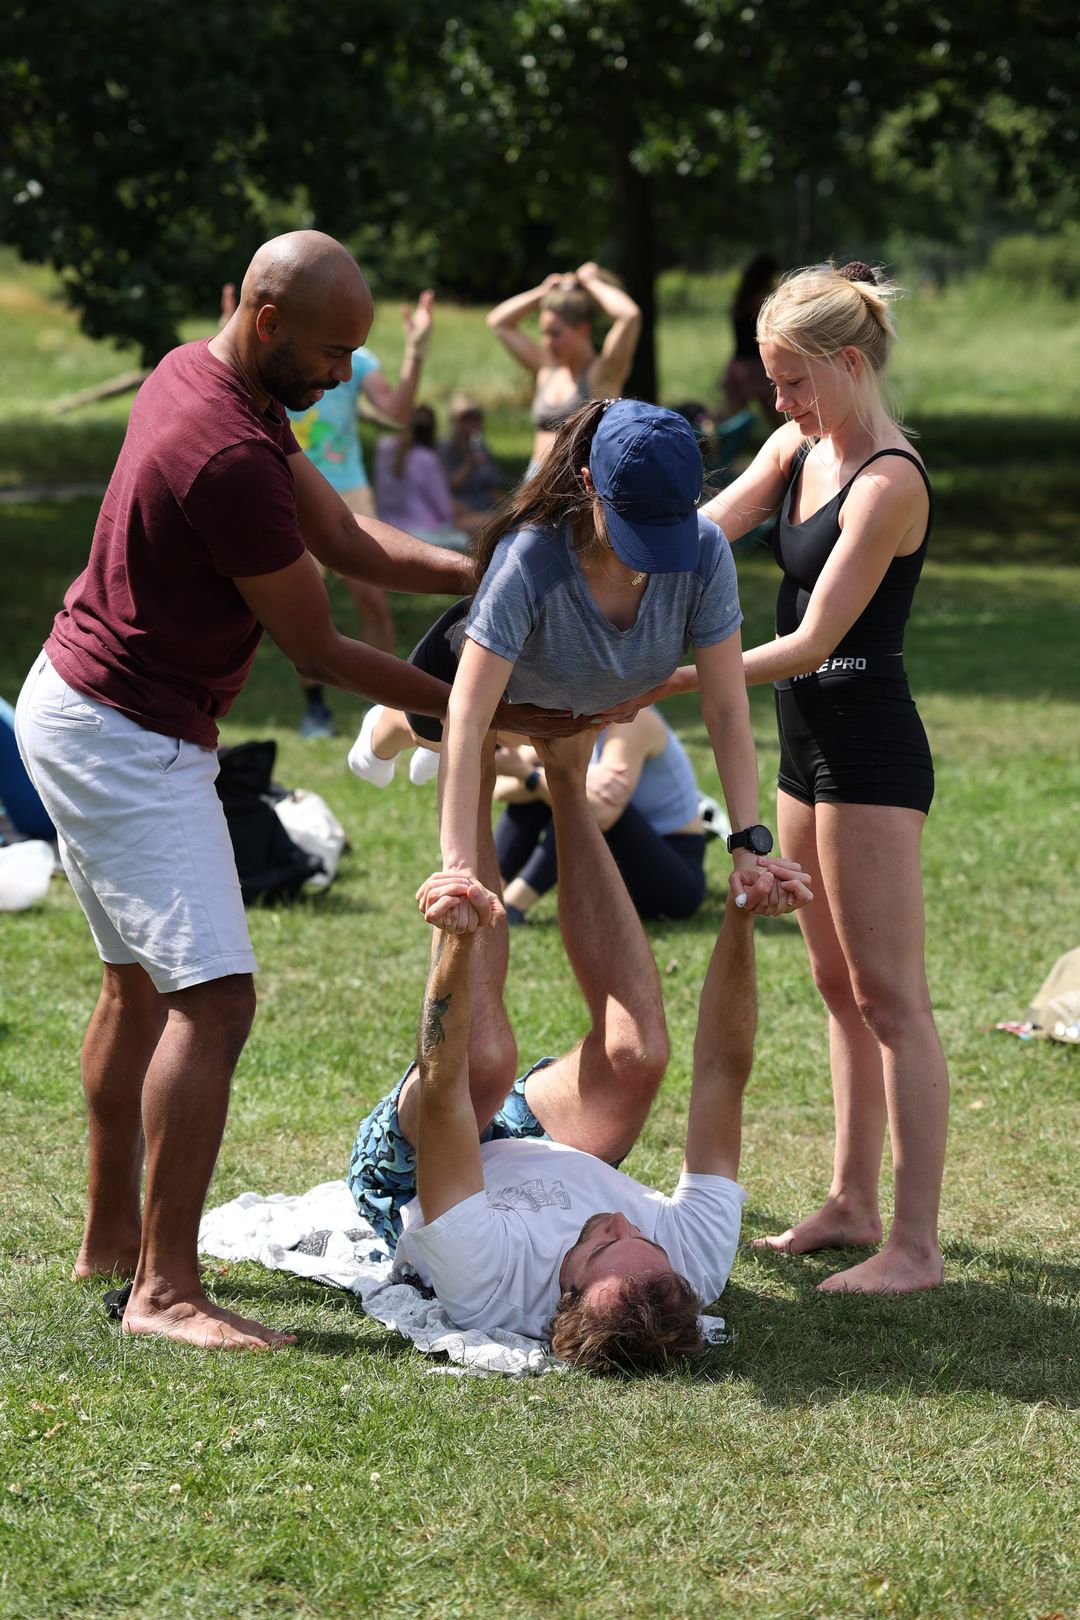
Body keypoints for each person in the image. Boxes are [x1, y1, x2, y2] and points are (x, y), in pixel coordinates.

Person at [12, 230, 569, 1352]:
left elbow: (345, 531)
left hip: (80, 706)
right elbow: (317, 649)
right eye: (330, 351)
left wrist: (485, 571)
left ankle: (114, 1244)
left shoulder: (207, 375)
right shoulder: (223, 451)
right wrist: (484, 710)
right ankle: (163, 1293)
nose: (341, 374)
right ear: (268, 320)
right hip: (126, 737)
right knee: (212, 1002)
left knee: (134, 988)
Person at [347, 731, 812, 1371]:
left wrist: (458, 937)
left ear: (561, 1298)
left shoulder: (489, 1282)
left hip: (413, 1169)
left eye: (600, 1247)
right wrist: (741, 913)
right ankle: (566, 773)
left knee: (484, 1060)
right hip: (534, 1145)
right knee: (637, 1056)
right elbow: (721, 1076)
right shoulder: (694, 1263)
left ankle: (470, 749)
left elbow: (447, 1088)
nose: (618, 1219)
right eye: (643, 1238)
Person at [693, 259, 947, 1294]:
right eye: (771, 383)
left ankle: (916, 1248)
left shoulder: (888, 480)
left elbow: (808, 640)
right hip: (805, 749)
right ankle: (850, 1201)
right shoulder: (799, 442)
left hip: (868, 752)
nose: (781, 403)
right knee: (836, 986)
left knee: (892, 1001)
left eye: (795, 382)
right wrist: (602, 544)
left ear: (848, 362)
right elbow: (712, 525)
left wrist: (674, 676)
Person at [415, 398, 802, 937]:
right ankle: (386, 728)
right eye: (632, 528)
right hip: (480, 700)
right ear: (588, 481)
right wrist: (454, 866)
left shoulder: (706, 549)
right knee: (469, 889)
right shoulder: (529, 558)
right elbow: (467, 712)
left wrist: (748, 844)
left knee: (571, 805)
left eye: (664, 527)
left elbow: (727, 705)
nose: (644, 556)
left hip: (578, 709)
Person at [286, 288, 436, 736]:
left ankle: (385, 712)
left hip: (349, 491)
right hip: (291, 490)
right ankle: (315, 708)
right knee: (304, 612)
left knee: (373, 600)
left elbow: (397, 410)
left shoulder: (358, 359)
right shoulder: (286, 352)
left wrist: (416, 352)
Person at [493, 707, 711, 924]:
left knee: (576, 801)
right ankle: (492, 888)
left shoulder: (635, 719)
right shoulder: (570, 719)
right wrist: (537, 776)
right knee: (543, 790)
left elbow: (605, 814)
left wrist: (529, 774)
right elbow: (501, 788)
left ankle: (513, 905)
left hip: (673, 883)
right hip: (619, 870)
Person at [486, 263, 641, 473]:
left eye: (555, 334)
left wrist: (591, 283)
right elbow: (498, 322)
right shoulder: (547, 368)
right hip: (535, 478)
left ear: (583, 330)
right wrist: (543, 292)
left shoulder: (603, 372)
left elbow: (629, 315)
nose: (547, 342)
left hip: (576, 487)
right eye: (544, 333)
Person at [374, 404, 468, 551]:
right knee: (483, 522)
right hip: (423, 531)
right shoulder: (427, 459)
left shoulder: (384, 447)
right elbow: (444, 510)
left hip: (388, 525)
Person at [721, 252, 783, 428]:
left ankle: (722, 453)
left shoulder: (740, 299)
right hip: (757, 365)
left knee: (731, 423)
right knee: (779, 422)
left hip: (738, 363)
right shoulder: (762, 299)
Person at [438, 393, 504, 536]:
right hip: (459, 510)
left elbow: (492, 487)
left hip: (484, 506)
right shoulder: (445, 448)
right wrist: (469, 465)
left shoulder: (481, 447)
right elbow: (449, 485)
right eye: (466, 419)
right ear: (455, 422)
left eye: (476, 418)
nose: (472, 424)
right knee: (491, 525)